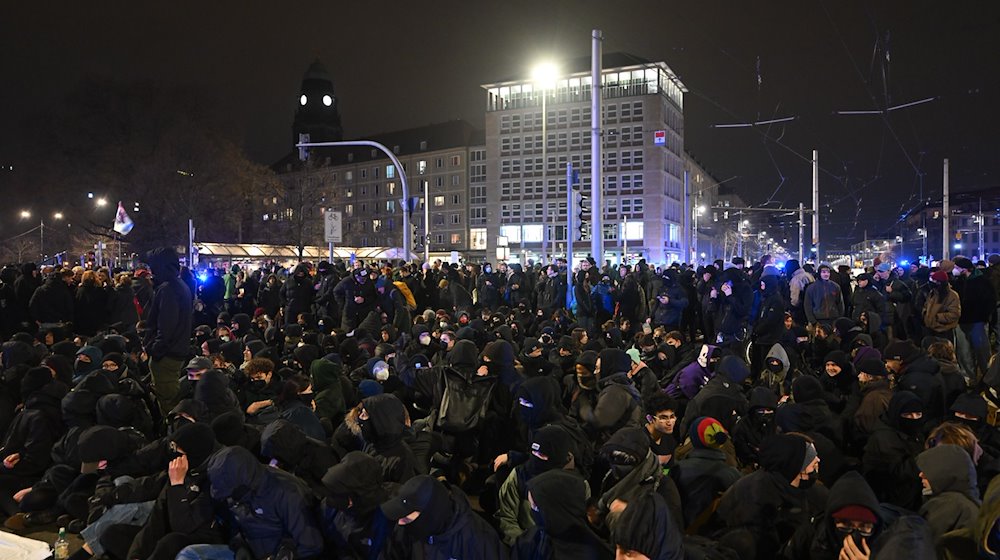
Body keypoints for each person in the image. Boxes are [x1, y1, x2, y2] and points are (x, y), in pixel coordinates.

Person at [176, 446, 323, 559]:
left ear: (243, 484)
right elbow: (235, 527)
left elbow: (311, 545)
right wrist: (240, 546)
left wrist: (284, 554)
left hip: (279, 554)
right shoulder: (232, 492)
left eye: (230, 492)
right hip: (248, 551)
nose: (228, 497)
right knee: (190, 554)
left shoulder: (287, 493)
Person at [381, 474, 508, 560]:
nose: (401, 523)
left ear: (430, 516)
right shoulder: (406, 529)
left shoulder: (480, 539)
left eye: (407, 518)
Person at [512, 469, 613, 560]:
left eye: (537, 507)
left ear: (556, 509)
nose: (532, 511)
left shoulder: (594, 554)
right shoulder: (530, 538)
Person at [142, 247, 193, 416]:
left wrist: (155, 350)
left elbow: (166, 326)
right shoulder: (179, 285)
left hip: (167, 355)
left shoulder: (168, 289)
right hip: (174, 350)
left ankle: (171, 435)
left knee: (168, 403)